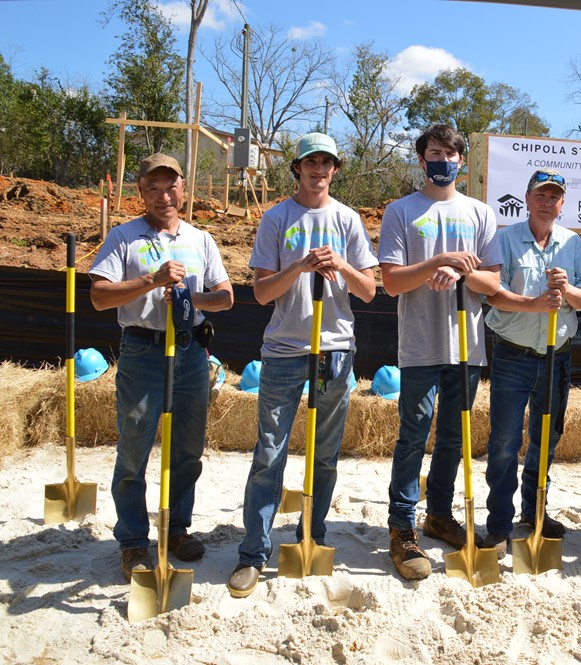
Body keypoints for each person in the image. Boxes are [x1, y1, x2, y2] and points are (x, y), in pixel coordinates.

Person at [227, 132, 377, 597]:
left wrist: (341, 266)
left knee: (325, 454)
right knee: (269, 453)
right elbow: (261, 292)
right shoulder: (276, 218)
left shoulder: (347, 220)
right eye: (310, 162)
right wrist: (298, 267)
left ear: (335, 169)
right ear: (296, 168)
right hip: (284, 350)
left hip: (335, 351)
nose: (318, 170)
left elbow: (369, 291)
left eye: (326, 163)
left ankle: (312, 534)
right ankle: (254, 552)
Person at [90, 152, 234, 582]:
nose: (163, 196)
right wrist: (151, 281)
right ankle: (134, 540)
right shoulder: (124, 237)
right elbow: (99, 296)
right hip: (143, 350)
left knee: (188, 448)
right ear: (141, 191)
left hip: (190, 351)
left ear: (184, 189)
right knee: (134, 449)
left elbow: (225, 297)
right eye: (153, 187)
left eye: (171, 187)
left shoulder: (201, 239)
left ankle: (176, 528)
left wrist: (191, 298)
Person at [378, 124, 501, 580]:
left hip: (465, 347)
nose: (443, 161)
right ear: (421, 159)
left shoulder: (480, 213)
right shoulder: (401, 211)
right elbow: (392, 281)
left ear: (461, 162)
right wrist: (438, 261)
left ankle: (440, 515)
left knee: (453, 437)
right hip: (420, 345)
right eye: (434, 153)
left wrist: (464, 274)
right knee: (413, 435)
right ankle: (402, 526)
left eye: (451, 154)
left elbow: (493, 283)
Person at [481, 168, 581, 557]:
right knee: (504, 441)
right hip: (513, 355)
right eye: (541, 195)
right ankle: (499, 523)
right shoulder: (505, 239)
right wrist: (534, 304)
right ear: (528, 199)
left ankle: (534, 512)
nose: (547, 202)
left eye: (554, 197)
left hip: (556, 357)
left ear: (562, 204)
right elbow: (493, 293)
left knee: (546, 439)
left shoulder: (573, 244)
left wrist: (567, 288)